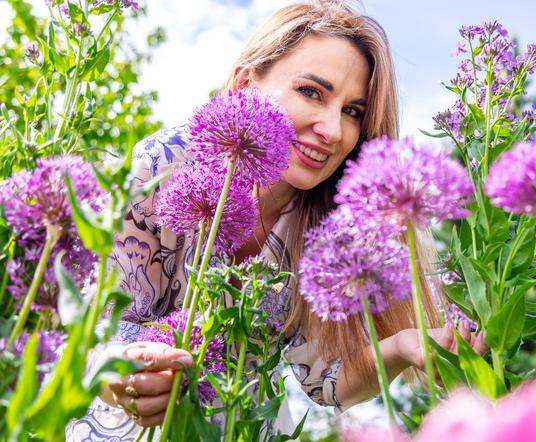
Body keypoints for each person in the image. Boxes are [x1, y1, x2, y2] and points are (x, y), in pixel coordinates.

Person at [67, 1, 487, 439]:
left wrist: (403, 346)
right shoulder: (166, 167)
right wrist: (116, 371)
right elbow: (95, 318)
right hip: (119, 421)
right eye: (311, 92)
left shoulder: (335, 228)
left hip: (239, 428)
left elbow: (325, 382)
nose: (333, 130)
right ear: (244, 84)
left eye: (352, 112)